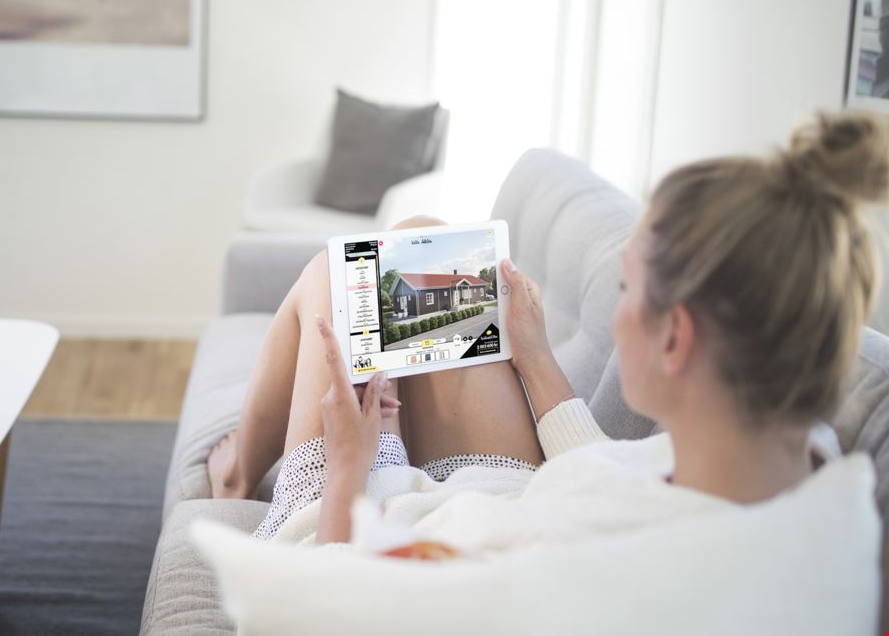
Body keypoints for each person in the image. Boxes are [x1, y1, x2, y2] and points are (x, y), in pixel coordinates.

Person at [207, 113, 887, 548]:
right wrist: (532, 354)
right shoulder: (810, 474)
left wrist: (357, 464)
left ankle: (237, 479)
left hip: (370, 533)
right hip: (503, 497)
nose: (616, 309)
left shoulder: (595, 566)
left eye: (626, 289)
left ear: (676, 338)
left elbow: (323, 615)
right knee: (412, 252)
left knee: (333, 281)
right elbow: (606, 473)